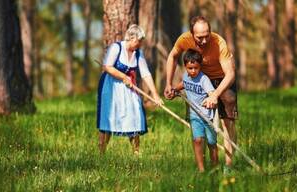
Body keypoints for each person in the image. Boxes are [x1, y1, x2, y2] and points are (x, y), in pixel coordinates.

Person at [164, 16, 237, 171]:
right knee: (198, 123)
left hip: (222, 79)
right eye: (199, 38)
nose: (204, 41)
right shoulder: (184, 39)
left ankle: (228, 168)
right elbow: (172, 56)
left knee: (227, 122)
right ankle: (203, 169)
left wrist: (214, 95)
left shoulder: (219, 43)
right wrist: (169, 84)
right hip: (199, 78)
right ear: (191, 34)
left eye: (207, 36)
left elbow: (230, 74)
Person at [97, 24, 163, 155]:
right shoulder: (116, 48)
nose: (140, 44)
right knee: (109, 118)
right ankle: (101, 153)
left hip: (129, 88)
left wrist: (155, 95)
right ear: (132, 38)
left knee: (135, 115)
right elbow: (107, 67)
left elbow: (146, 74)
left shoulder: (138, 53)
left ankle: (136, 153)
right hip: (111, 87)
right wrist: (124, 77)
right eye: (139, 41)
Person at [171, 49, 218, 172]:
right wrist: (175, 89)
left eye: (195, 68)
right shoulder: (186, 76)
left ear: (200, 66)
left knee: (211, 144)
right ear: (185, 66)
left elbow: (212, 93)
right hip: (194, 115)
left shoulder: (204, 79)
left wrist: (210, 99)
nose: (193, 71)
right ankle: (201, 170)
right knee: (197, 140)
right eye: (190, 68)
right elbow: (184, 83)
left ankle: (215, 168)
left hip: (208, 117)